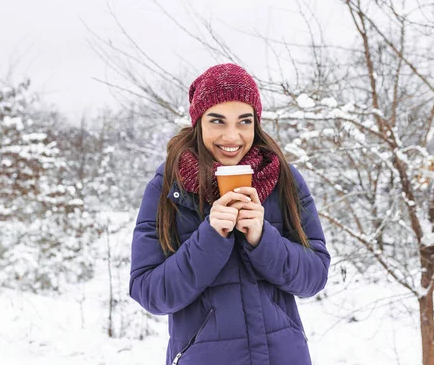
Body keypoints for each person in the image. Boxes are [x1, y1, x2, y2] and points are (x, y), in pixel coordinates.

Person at [129, 63, 330, 365]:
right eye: (218, 121)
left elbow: (314, 276)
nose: (232, 136)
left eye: (244, 121)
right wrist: (210, 239)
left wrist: (263, 240)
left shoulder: (284, 180)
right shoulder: (169, 188)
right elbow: (150, 292)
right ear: (198, 122)